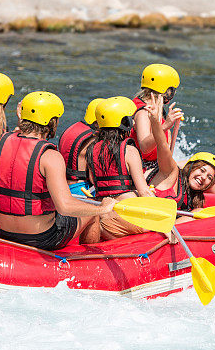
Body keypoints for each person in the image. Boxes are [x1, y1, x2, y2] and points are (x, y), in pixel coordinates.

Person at [0, 91, 114, 250]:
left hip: (4, 232)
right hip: (42, 238)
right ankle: (89, 260)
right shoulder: (50, 156)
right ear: (52, 121)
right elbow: (64, 206)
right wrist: (101, 207)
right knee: (92, 212)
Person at [85, 96, 153, 240]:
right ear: (124, 123)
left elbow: (93, 180)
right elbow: (144, 191)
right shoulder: (129, 150)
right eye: (131, 118)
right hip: (126, 217)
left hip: (103, 218)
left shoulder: (91, 150)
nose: (133, 122)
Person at [144, 104, 215, 212]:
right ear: (191, 167)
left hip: (166, 225)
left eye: (209, 177)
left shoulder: (196, 199)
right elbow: (163, 147)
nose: (204, 177)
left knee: (198, 211)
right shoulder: (172, 172)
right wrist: (156, 122)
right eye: (202, 170)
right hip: (144, 216)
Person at [129, 63, 183, 169]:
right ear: (169, 92)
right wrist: (165, 126)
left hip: (155, 165)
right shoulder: (144, 113)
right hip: (142, 169)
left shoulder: (158, 109)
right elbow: (144, 147)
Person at [57, 97, 104, 196]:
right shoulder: (94, 140)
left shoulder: (71, 129)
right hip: (81, 189)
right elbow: (93, 177)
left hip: (63, 187)